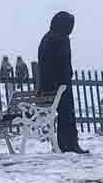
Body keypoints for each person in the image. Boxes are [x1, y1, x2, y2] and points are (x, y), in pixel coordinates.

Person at [37, 11, 86, 153]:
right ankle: (70, 144)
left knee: (64, 115)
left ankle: (63, 144)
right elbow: (64, 62)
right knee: (67, 114)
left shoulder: (46, 38)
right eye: (70, 25)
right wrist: (67, 77)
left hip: (48, 86)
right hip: (60, 85)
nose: (72, 28)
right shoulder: (62, 39)